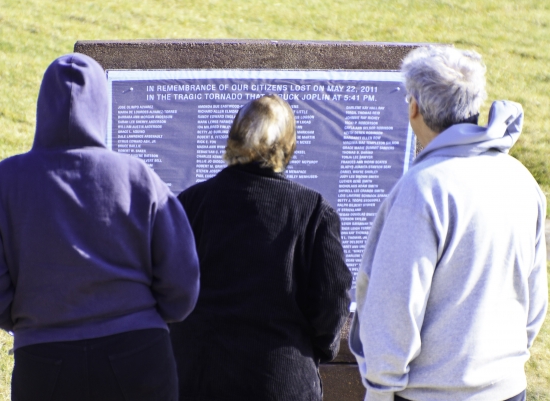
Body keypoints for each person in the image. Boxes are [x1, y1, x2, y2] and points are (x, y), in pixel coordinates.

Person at [0, 53, 200, 401]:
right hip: (139, 352)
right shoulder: (139, 176)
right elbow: (182, 278)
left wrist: (26, 319)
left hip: (45, 357)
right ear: (102, 104)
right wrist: (153, 316)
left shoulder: (4, 180)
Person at [349, 46, 548, 401]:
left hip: (430, 394)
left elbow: (396, 305)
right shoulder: (520, 178)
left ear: (414, 108)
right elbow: (534, 298)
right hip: (508, 386)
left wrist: (380, 388)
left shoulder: (422, 188)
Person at [169, 94, 353, 401]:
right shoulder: (312, 212)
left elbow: (168, 289)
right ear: (289, 146)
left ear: (234, 139)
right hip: (279, 380)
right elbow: (331, 300)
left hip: (199, 378)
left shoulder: (189, 204)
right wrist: (317, 347)